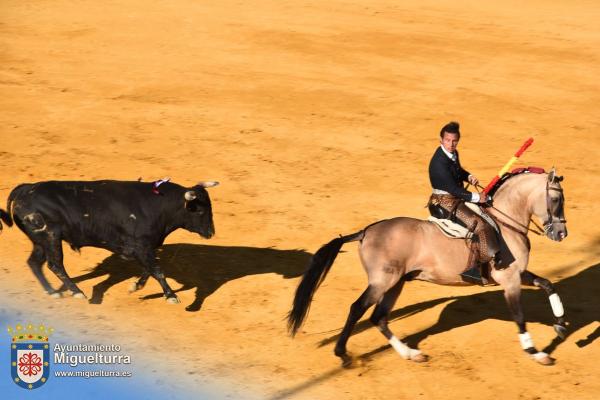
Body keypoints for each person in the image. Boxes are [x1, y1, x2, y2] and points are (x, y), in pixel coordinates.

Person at [427, 121, 500, 284]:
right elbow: (453, 189)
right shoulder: (438, 162)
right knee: (479, 225)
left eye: (454, 141)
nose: (451, 144)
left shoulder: (452, 154)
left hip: (454, 198)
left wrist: (468, 176)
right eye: (447, 140)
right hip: (445, 202)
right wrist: (476, 197)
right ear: (441, 140)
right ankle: (473, 268)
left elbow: (458, 171)